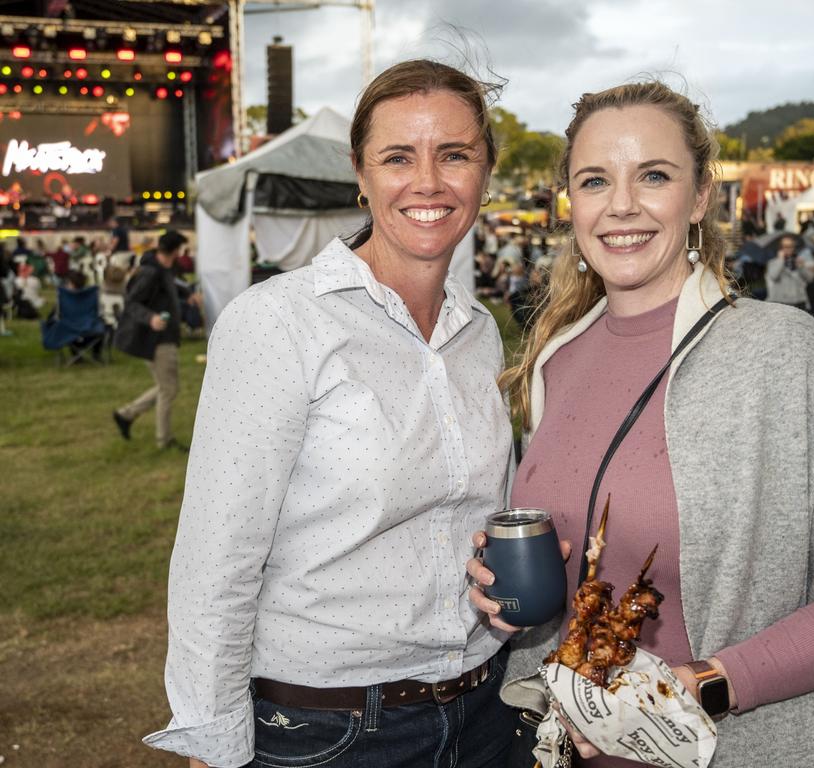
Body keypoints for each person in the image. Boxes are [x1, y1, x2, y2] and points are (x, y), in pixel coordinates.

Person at [469, 82, 814, 767]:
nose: (621, 205)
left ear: (701, 194)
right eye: (594, 180)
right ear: (570, 202)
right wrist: (508, 596)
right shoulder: (556, 361)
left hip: (746, 748)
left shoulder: (784, 353)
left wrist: (700, 686)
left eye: (653, 175)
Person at [143, 60, 515, 768]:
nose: (428, 181)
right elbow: (215, 557)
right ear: (361, 172)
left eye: (455, 154)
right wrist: (215, 740)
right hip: (330, 731)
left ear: (486, 171)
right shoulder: (279, 321)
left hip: (484, 713)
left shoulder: (480, 332)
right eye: (398, 156)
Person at [112, 230, 196, 450]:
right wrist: (151, 318)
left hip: (164, 336)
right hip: (156, 338)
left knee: (165, 387)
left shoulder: (163, 270)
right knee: (168, 389)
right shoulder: (150, 272)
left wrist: (186, 294)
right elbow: (131, 303)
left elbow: (169, 288)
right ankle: (164, 439)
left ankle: (126, 414)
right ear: (176, 250)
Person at [765, 234, 812, 309]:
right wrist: (780, 260)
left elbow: (810, 279)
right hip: (781, 303)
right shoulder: (773, 262)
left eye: (791, 246)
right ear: (780, 248)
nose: (789, 249)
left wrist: (802, 267)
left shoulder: (798, 261)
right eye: (785, 246)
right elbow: (773, 276)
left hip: (799, 302)